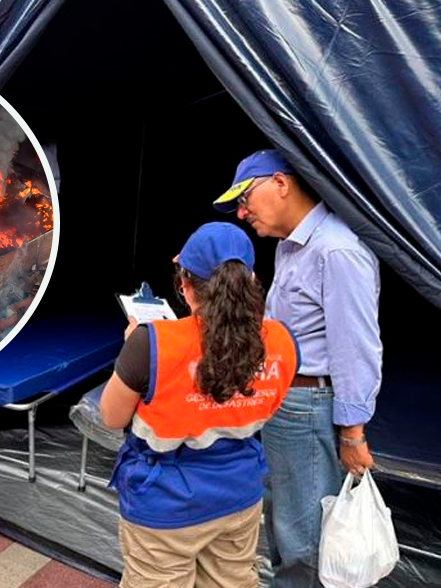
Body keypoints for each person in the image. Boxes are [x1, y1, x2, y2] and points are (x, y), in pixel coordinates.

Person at [213, 149, 382, 588]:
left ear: (282, 184)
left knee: (304, 538)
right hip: (286, 400)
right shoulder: (291, 248)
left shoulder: (337, 250)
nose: (242, 212)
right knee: (288, 522)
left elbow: (356, 348)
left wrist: (352, 431)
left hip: (308, 405)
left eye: (246, 198)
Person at [100, 222, 300, 588]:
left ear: (185, 288)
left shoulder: (151, 342)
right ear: (251, 281)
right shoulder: (283, 342)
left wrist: (131, 349)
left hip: (164, 505)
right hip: (239, 496)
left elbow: (111, 416)